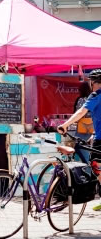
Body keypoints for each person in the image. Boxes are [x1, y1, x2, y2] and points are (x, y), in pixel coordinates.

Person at [58, 69, 101, 211]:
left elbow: (81, 112)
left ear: (93, 82)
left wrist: (65, 125)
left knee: (97, 167)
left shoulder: (95, 95)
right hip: (97, 135)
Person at [73, 82, 94, 161]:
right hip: (93, 129)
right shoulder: (94, 99)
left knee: (81, 149)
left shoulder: (81, 100)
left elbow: (79, 114)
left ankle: (87, 169)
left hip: (82, 132)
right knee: (89, 152)